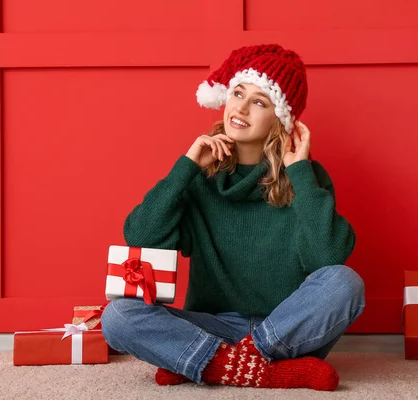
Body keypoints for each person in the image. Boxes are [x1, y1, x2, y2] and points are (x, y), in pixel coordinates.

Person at [101, 44, 365, 391]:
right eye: (237, 93)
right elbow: (141, 236)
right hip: (213, 325)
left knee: (346, 283)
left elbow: (327, 257)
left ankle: (204, 361)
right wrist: (186, 168)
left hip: (288, 328)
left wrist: (300, 172)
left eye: (259, 101)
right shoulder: (199, 178)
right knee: (117, 317)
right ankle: (258, 369)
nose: (240, 107)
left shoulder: (305, 177)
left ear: (280, 119)